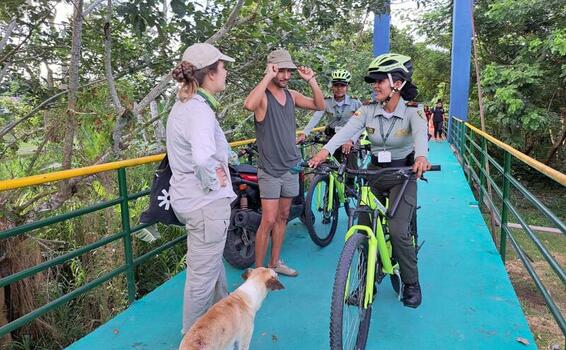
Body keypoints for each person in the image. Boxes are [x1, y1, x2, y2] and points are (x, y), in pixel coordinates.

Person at [308, 53, 431, 308]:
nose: (374, 86)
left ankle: (411, 282)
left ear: (397, 84)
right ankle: (367, 283)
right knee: (363, 228)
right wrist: (324, 152)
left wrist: (420, 157)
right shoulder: (366, 110)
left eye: (379, 81)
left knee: (398, 231)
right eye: (373, 82)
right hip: (374, 174)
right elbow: (345, 132)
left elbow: (421, 138)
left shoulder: (413, 111)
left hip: (403, 175)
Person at [166, 43, 237, 333]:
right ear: (210, 74)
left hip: (191, 201)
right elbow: (202, 158)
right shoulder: (199, 111)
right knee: (201, 281)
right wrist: (214, 181)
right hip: (205, 206)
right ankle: (192, 338)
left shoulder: (187, 105)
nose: (226, 71)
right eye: (223, 67)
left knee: (212, 270)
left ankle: (226, 326)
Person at [243, 48, 325, 276]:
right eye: (282, 71)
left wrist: (312, 81)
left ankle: (274, 263)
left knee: (282, 217)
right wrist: (267, 77)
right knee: (267, 220)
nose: (286, 76)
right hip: (269, 170)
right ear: (272, 69)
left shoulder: (291, 95)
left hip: (291, 167)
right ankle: (258, 272)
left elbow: (320, 106)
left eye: (289, 71)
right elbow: (249, 105)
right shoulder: (262, 98)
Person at [300, 69, 363, 170]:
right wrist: (304, 133)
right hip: (332, 135)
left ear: (347, 87)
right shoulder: (326, 102)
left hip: (350, 136)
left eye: (342, 85)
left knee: (350, 161)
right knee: (328, 164)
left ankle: (350, 183)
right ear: (332, 86)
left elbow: (361, 123)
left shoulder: (355, 102)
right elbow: (316, 117)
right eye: (336, 85)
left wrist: (351, 140)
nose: (339, 88)